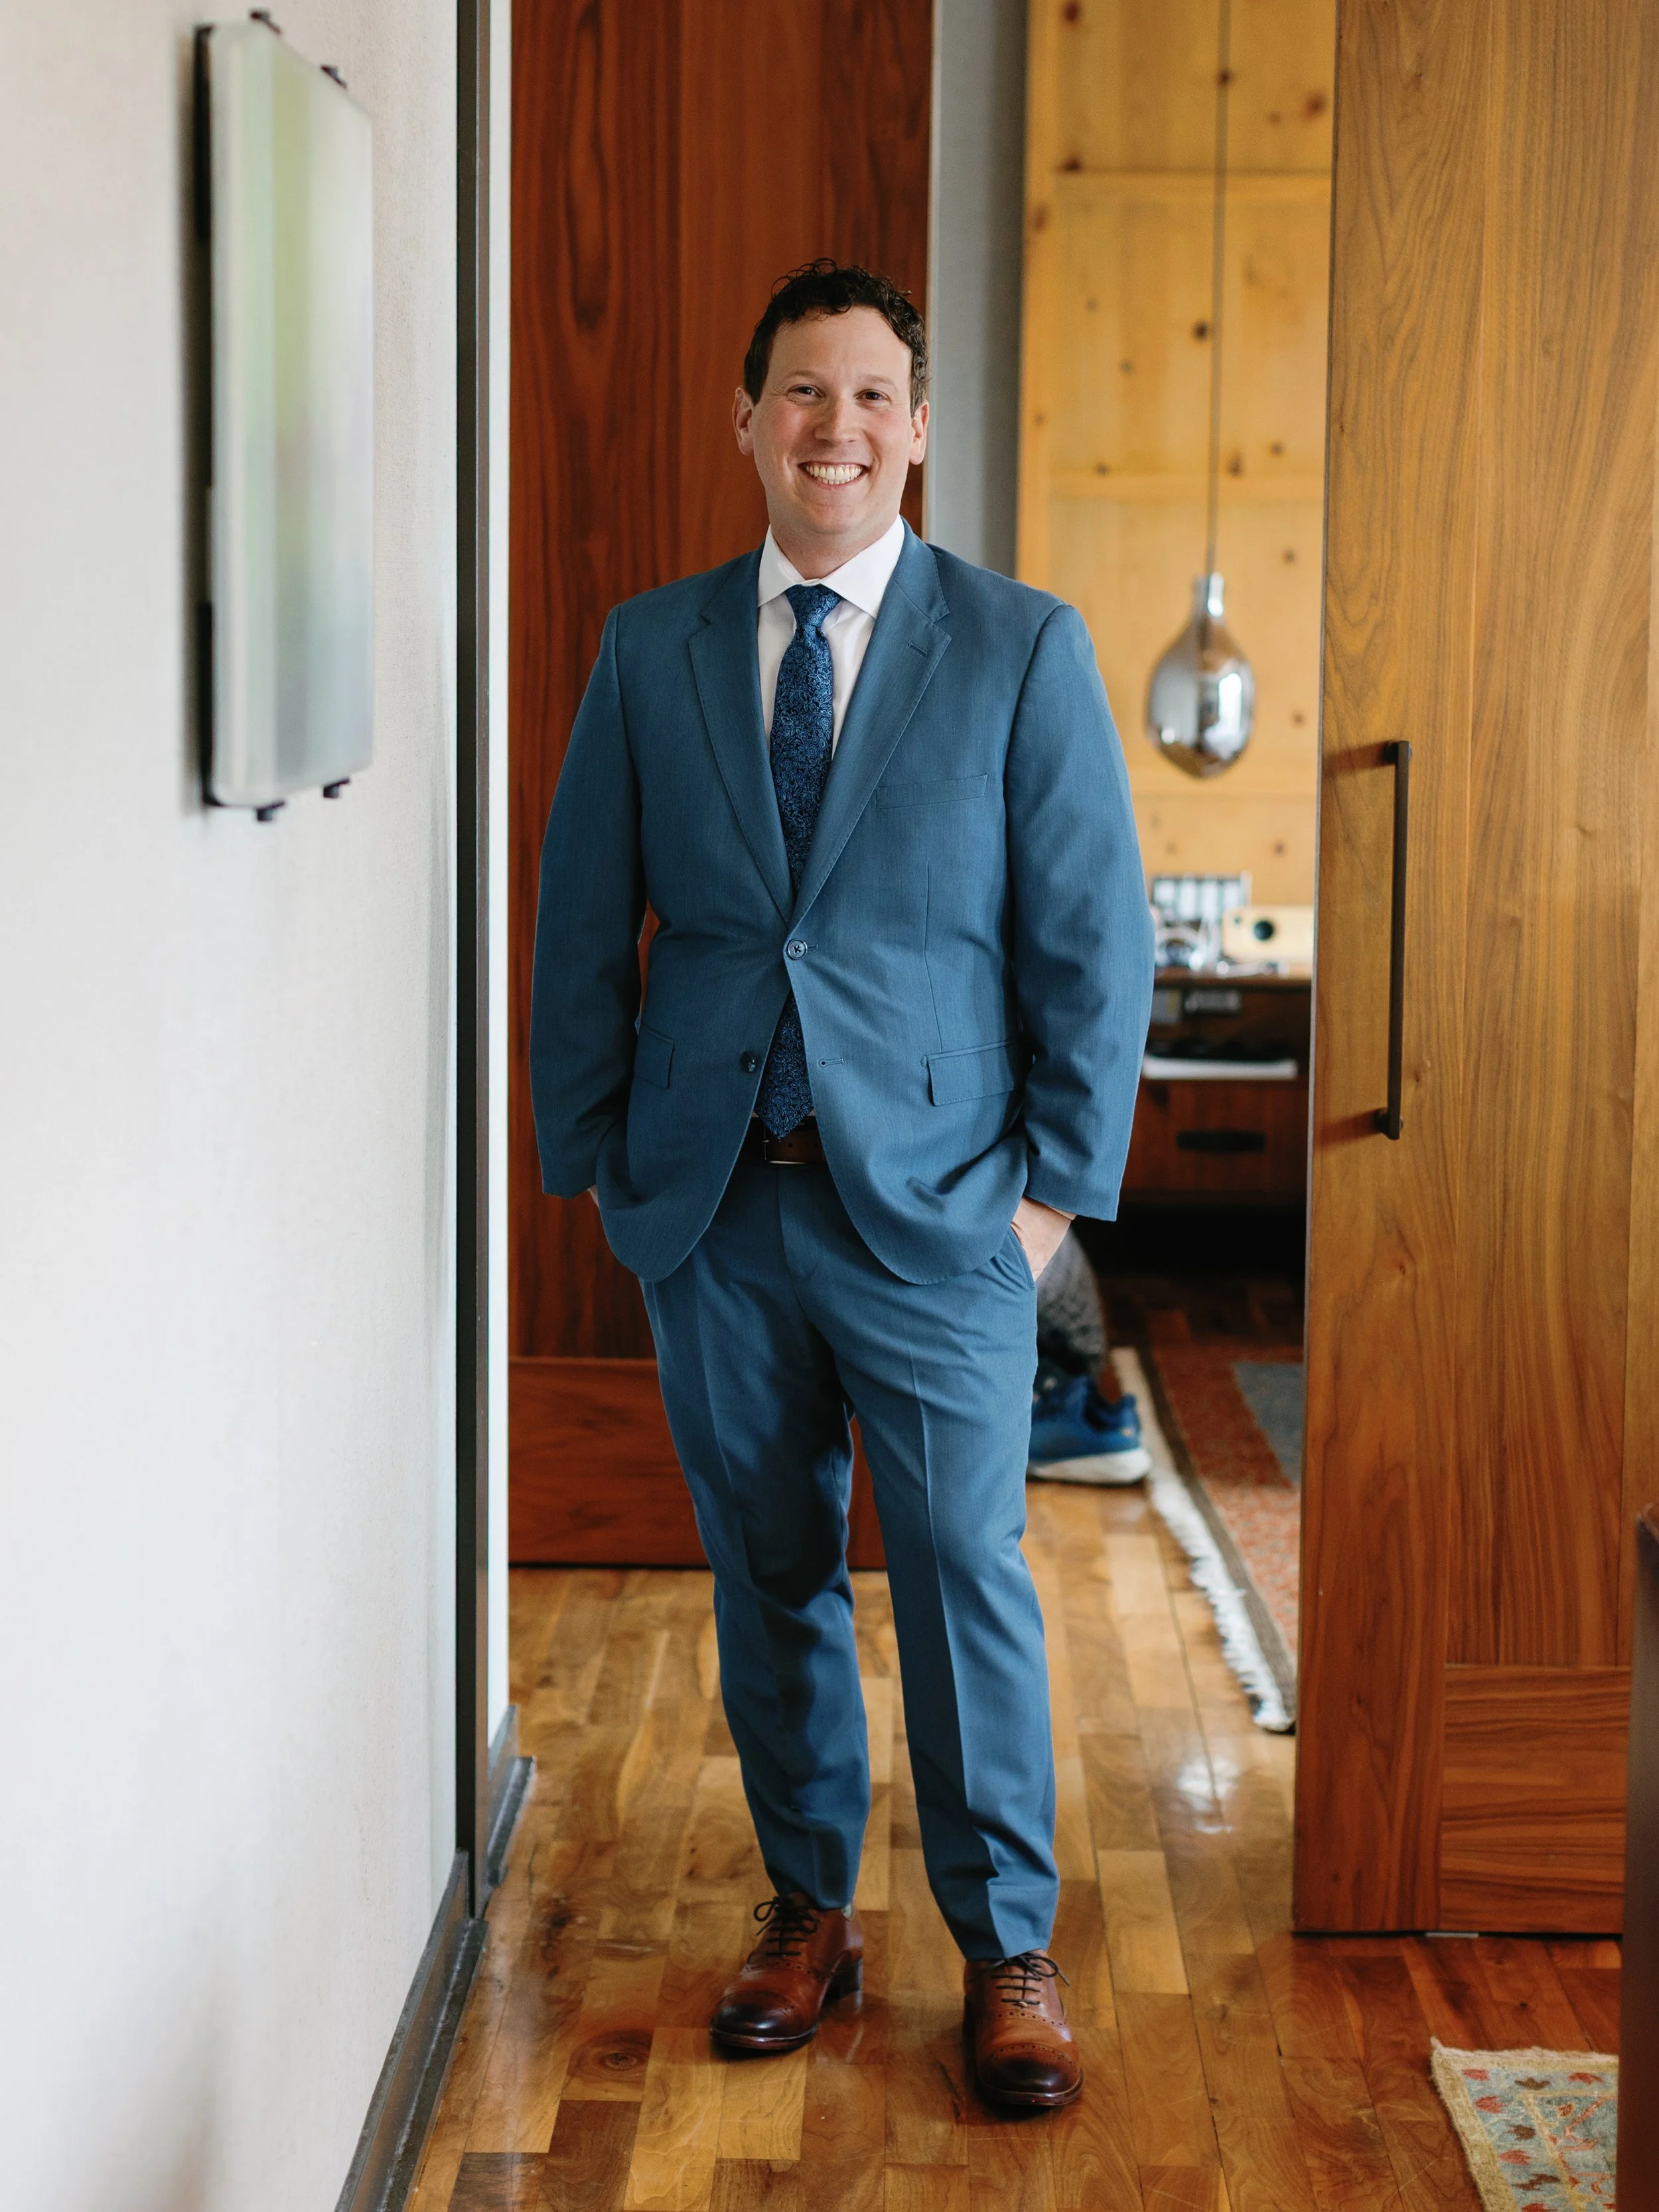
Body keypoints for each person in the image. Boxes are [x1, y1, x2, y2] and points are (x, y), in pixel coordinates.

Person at [530, 261, 1152, 2112]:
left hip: (947, 1209)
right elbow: (581, 919)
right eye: (803, 395)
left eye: (872, 396)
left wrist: (1046, 1201)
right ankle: (806, 1905)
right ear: (747, 421)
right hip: (716, 1203)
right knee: (769, 1565)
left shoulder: (1019, 645)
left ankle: (1007, 1943)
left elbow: (1090, 938)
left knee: (967, 1567)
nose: (838, 431)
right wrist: (595, 1158)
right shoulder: (651, 648)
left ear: (919, 428)